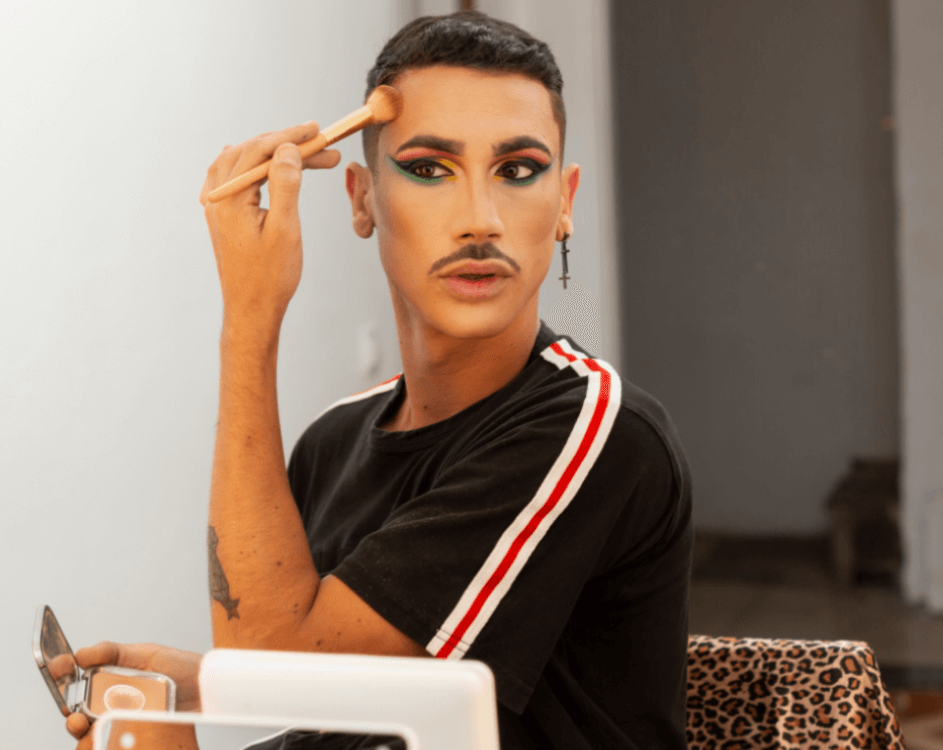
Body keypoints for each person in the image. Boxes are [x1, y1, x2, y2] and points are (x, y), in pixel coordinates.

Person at [65, 11, 692, 750]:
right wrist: (189, 690)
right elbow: (325, 694)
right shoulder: (337, 439)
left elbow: (274, 667)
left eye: (519, 170)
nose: (480, 219)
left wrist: (250, 319)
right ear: (361, 198)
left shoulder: (594, 433)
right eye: (430, 169)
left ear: (564, 202)